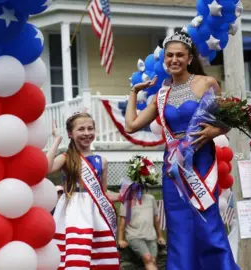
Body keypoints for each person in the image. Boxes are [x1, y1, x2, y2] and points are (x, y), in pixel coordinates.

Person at [124, 31, 237, 269]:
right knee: (180, 226)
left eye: (179, 55)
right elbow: (131, 125)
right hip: (174, 166)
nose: (173, 60)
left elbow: (231, 120)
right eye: (169, 56)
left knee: (208, 222)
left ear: (189, 58)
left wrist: (213, 132)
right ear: (164, 59)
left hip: (201, 161)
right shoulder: (160, 95)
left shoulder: (206, 83)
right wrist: (134, 92)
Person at [47, 112, 119, 269]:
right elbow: (45, 167)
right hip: (72, 212)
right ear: (70, 134)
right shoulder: (66, 157)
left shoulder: (102, 161)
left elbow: (103, 194)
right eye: (81, 129)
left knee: (97, 257)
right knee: (75, 255)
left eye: (90, 128)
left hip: (95, 215)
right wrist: (57, 141)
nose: (87, 133)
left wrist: (124, 195)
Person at [117, 193, 165, 270]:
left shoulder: (151, 198)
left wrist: (160, 236)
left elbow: (156, 219)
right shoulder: (127, 200)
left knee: (152, 260)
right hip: (134, 235)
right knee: (147, 258)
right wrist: (120, 240)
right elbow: (122, 221)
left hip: (150, 235)